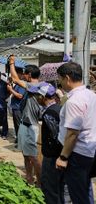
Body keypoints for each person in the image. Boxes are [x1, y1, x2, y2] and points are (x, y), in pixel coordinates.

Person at [56, 62, 96, 204]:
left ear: (67, 78)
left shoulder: (74, 101)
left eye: (60, 79)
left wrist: (63, 157)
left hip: (77, 154)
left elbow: (72, 133)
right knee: (85, 189)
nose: (60, 83)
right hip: (89, 150)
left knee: (78, 194)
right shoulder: (90, 95)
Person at [28, 82, 64, 204]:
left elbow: (56, 137)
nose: (37, 99)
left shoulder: (50, 113)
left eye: (38, 96)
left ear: (42, 97)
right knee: (59, 188)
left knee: (50, 187)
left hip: (53, 157)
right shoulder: (59, 108)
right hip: (59, 156)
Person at [9, 55, 42, 186]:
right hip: (25, 123)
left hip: (32, 126)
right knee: (26, 154)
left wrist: (12, 63)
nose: (22, 75)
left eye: (24, 73)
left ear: (29, 75)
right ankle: (29, 179)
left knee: (33, 157)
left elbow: (15, 79)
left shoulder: (35, 86)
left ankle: (40, 183)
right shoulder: (32, 86)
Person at [7, 67, 27, 144]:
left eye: (14, 74)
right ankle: (18, 139)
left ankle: (21, 141)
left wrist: (11, 90)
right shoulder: (17, 84)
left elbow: (20, 96)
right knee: (16, 125)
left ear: (19, 74)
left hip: (19, 107)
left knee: (19, 125)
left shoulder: (22, 84)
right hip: (15, 107)